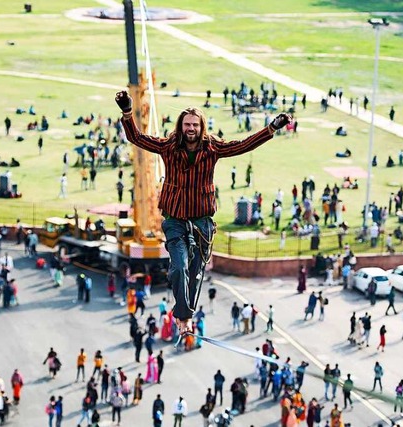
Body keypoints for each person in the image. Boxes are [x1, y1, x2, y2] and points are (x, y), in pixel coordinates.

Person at [116, 90, 291, 334]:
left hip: (202, 220)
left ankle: (186, 317)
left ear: (201, 127)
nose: (191, 128)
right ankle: (183, 316)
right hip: (175, 218)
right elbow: (137, 138)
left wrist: (271, 128)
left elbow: (243, 145)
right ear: (181, 126)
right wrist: (126, 111)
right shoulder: (168, 147)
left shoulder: (212, 148)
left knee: (196, 272)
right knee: (179, 267)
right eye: (187, 124)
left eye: (195, 125)